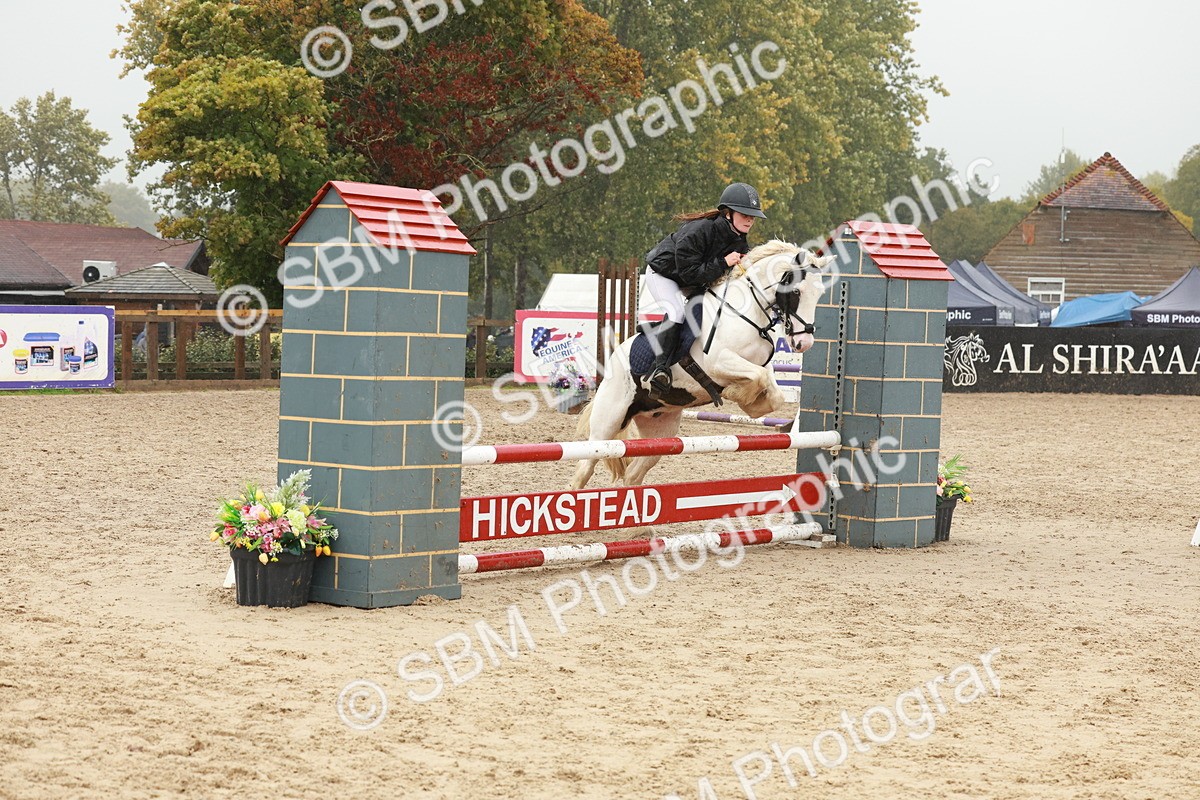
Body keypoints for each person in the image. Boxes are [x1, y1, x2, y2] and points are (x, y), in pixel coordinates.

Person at [640, 182, 766, 396]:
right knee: (676, 311)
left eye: (752, 216)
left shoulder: (738, 240)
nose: (750, 219)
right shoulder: (699, 231)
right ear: (728, 213)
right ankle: (660, 369)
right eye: (745, 214)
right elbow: (689, 274)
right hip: (665, 273)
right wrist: (723, 263)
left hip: (693, 277)